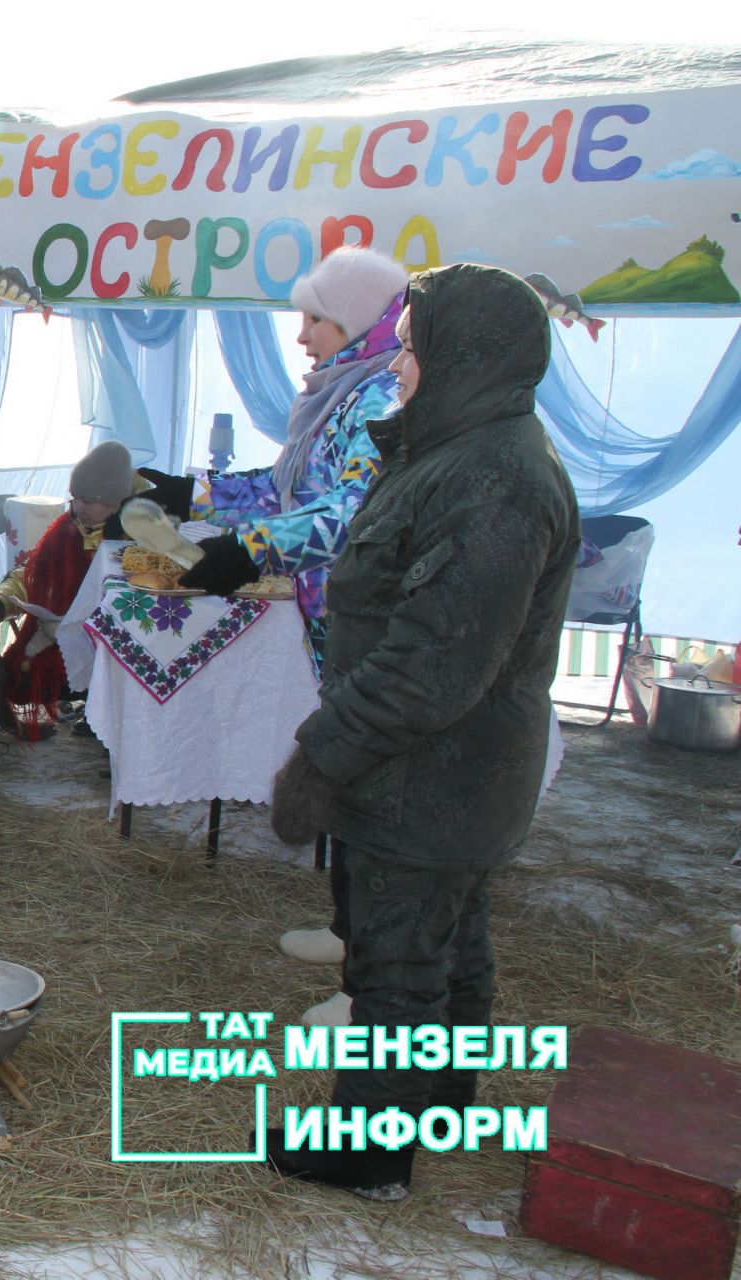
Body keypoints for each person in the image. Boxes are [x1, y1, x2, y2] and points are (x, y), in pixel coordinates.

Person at [259, 263, 580, 1201]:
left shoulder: (495, 481)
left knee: (399, 964)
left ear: (463, 357)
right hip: (449, 767)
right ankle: (436, 1103)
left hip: (435, 769)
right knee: (449, 942)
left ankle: (369, 1153)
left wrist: (322, 754)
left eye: (411, 344)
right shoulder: (459, 447)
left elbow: (432, 664)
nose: (395, 360)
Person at [143, 247, 410, 1026]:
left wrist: (250, 548)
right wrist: (189, 491)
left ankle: (372, 988)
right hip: (339, 619)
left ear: (356, 321)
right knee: (356, 777)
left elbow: (354, 512)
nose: (301, 337)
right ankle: (350, 930)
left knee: (380, 788)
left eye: (314, 318)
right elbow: (289, 487)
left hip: (376, 620)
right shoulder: (345, 393)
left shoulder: (380, 401)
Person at [0, 441, 135, 738]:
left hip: (118, 635)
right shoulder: (67, 528)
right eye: (75, 498)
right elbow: (30, 575)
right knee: (18, 673)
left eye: (88, 500)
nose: (78, 508)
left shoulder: (135, 535)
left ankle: (109, 718)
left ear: (114, 503)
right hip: (67, 628)